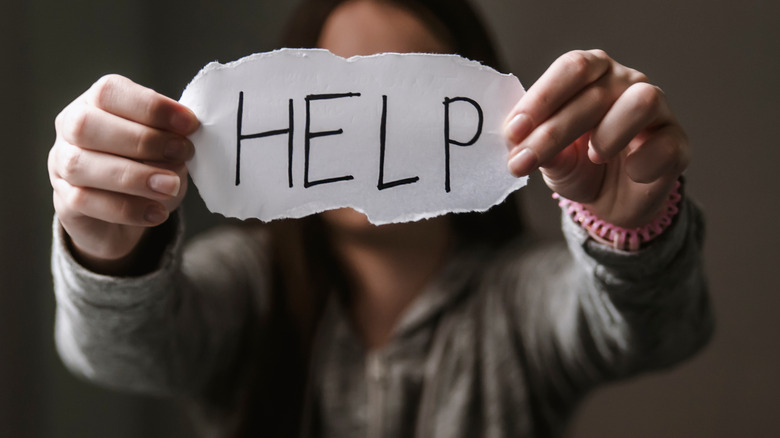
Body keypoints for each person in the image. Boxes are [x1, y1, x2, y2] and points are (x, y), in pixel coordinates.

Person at [48, 0, 713, 436]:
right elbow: (119, 353)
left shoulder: (520, 299)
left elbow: (658, 331)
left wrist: (627, 232)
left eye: (407, 89)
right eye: (334, 93)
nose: (364, 135)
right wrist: (110, 251)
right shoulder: (246, 284)